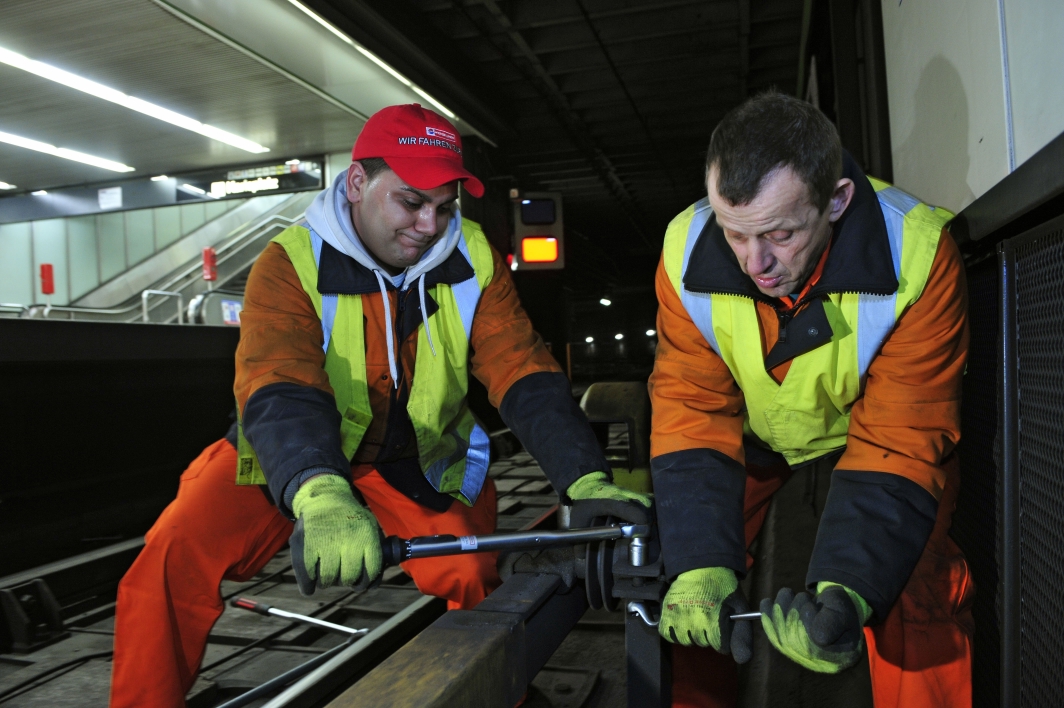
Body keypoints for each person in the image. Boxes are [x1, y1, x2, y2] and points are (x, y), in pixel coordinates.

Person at [109, 104, 648, 708]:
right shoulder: (289, 263)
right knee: (168, 557)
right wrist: (319, 491)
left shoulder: (470, 255)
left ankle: (503, 696)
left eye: (444, 207)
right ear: (359, 183)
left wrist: (585, 476)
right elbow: (278, 381)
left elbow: (519, 366)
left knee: (473, 578)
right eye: (412, 202)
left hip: (410, 461)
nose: (429, 224)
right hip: (289, 454)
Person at [649, 92, 972, 707]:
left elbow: (902, 436)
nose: (755, 264)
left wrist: (849, 590)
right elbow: (691, 407)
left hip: (869, 440)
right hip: (753, 442)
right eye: (733, 233)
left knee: (915, 591)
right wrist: (699, 559)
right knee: (685, 590)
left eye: (780, 233)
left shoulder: (919, 255)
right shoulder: (681, 250)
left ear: (838, 201)